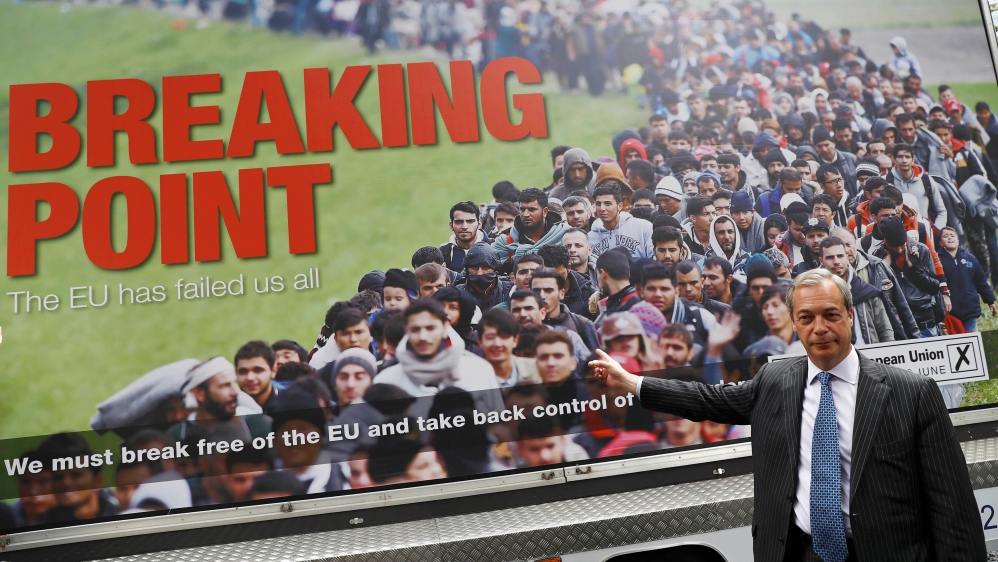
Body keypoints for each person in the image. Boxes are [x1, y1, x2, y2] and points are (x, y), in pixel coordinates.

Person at [589, 268, 986, 561]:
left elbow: (953, 507)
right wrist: (633, 383)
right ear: (794, 324)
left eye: (831, 315)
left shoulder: (910, 393)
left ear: (850, 316)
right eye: (807, 318)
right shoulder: (776, 379)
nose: (820, 328)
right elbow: (710, 400)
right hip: (796, 553)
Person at [373, 299, 504, 417]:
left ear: (445, 326)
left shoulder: (479, 370)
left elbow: (498, 425)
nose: (423, 336)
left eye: (431, 328)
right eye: (415, 329)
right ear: (406, 330)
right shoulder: (386, 381)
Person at [168, 357, 272, 443]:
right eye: (225, 386)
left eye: (234, 383)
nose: (235, 392)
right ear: (199, 393)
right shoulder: (178, 436)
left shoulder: (258, 426)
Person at [874, 216, 943, 337]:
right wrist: (885, 268)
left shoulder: (921, 250)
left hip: (924, 319)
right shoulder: (879, 256)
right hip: (899, 323)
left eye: (902, 245)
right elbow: (878, 293)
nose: (900, 250)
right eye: (895, 247)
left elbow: (933, 286)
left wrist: (914, 268)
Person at [819, 237, 895, 343]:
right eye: (830, 257)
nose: (836, 261)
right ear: (821, 261)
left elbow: (885, 332)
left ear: (847, 257)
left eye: (840, 256)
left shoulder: (868, 292)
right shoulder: (815, 295)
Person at [638, 264, 714, 347]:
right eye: (651, 289)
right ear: (642, 292)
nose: (658, 294)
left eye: (665, 289)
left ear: (676, 292)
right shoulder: (632, 321)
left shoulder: (701, 317)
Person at [493, 188, 569, 270]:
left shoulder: (566, 235)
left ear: (545, 211)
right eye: (522, 209)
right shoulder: (506, 243)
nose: (525, 214)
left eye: (532, 209)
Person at [939, 226, 996, 332]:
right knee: (957, 339)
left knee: (971, 337)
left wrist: (990, 300)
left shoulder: (970, 259)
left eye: (952, 236)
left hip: (970, 307)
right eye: (945, 236)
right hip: (951, 310)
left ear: (958, 240)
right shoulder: (938, 260)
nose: (950, 238)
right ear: (941, 243)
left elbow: (981, 281)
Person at [531, 267, 600, 352]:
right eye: (536, 291)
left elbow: (595, 361)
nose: (542, 296)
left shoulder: (582, 325)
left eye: (548, 290)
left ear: (561, 293)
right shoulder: (524, 325)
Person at [886, 143, 947, 231]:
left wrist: (935, 230)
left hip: (924, 232)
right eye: (900, 157)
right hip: (896, 233)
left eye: (907, 157)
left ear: (913, 160)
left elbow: (941, 211)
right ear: (894, 160)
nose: (904, 160)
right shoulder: (887, 181)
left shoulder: (926, 180)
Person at [477, 308, 541, 388]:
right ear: (479, 341)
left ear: (515, 340)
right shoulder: (471, 376)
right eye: (490, 337)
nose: (497, 344)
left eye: (504, 337)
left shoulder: (536, 368)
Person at [589, 183, 654, 260]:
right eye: (598, 204)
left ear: (620, 206)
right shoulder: (589, 237)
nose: (602, 208)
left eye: (608, 204)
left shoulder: (643, 227)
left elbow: (654, 259)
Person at [456, 242, 514, 310]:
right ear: (467, 269)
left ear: (494, 268)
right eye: (474, 268)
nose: (479, 273)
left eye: (485, 268)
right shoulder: (458, 293)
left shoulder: (509, 290)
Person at [233, 341, 279, 413]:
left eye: (258, 370)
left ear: (273, 371)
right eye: (243, 371)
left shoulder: (289, 406)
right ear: (236, 374)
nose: (250, 377)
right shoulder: (226, 408)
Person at [440, 201, 487, 272]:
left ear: (479, 224)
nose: (464, 227)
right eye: (459, 222)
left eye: (470, 221)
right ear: (451, 225)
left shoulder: (494, 247)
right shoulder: (442, 253)